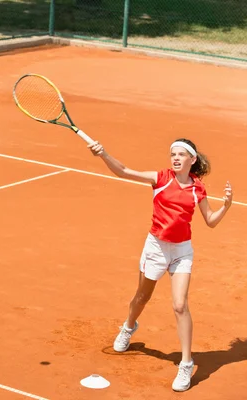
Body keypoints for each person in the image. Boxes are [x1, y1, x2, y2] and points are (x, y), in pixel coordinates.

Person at [88, 138, 233, 392]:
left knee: (180, 305)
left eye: (180, 154)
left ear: (192, 159)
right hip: (155, 248)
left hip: (181, 251)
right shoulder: (161, 178)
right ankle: (129, 326)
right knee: (142, 297)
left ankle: (186, 364)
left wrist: (226, 207)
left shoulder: (197, 188)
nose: (175, 158)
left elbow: (210, 220)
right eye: (172, 154)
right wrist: (103, 154)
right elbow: (124, 171)